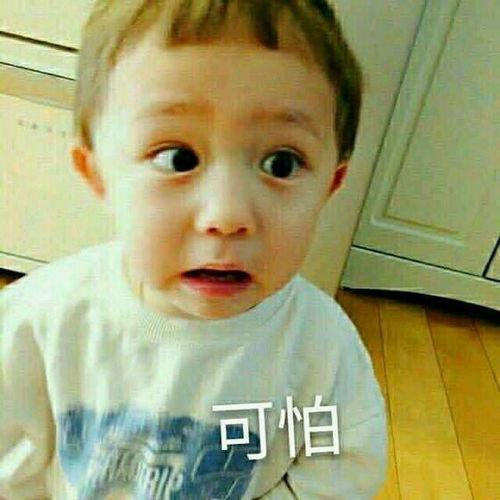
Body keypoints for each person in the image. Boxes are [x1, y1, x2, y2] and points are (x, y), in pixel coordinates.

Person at [0, 0, 387, 498]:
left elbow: (334, 472)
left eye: (282, 164)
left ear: (331, 185)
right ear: (96, 173)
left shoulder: (319, 352)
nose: (227, 215)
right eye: (177, 158)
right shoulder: (39, 324)